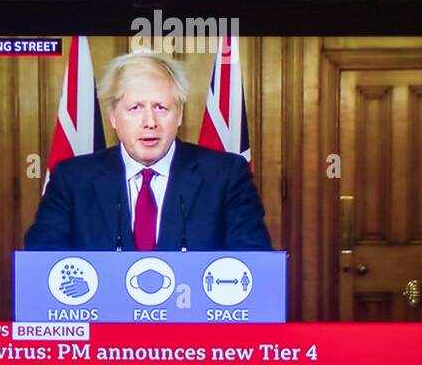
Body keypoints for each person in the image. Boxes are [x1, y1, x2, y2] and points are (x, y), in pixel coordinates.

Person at [25, 52, 272, 251]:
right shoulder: (72, 179)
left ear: (179, 116)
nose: (150, 122)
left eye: (161, 107)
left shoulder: (226, 175)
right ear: (113, 117)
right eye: (135, 108)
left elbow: (253, 261)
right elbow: (43, 260)